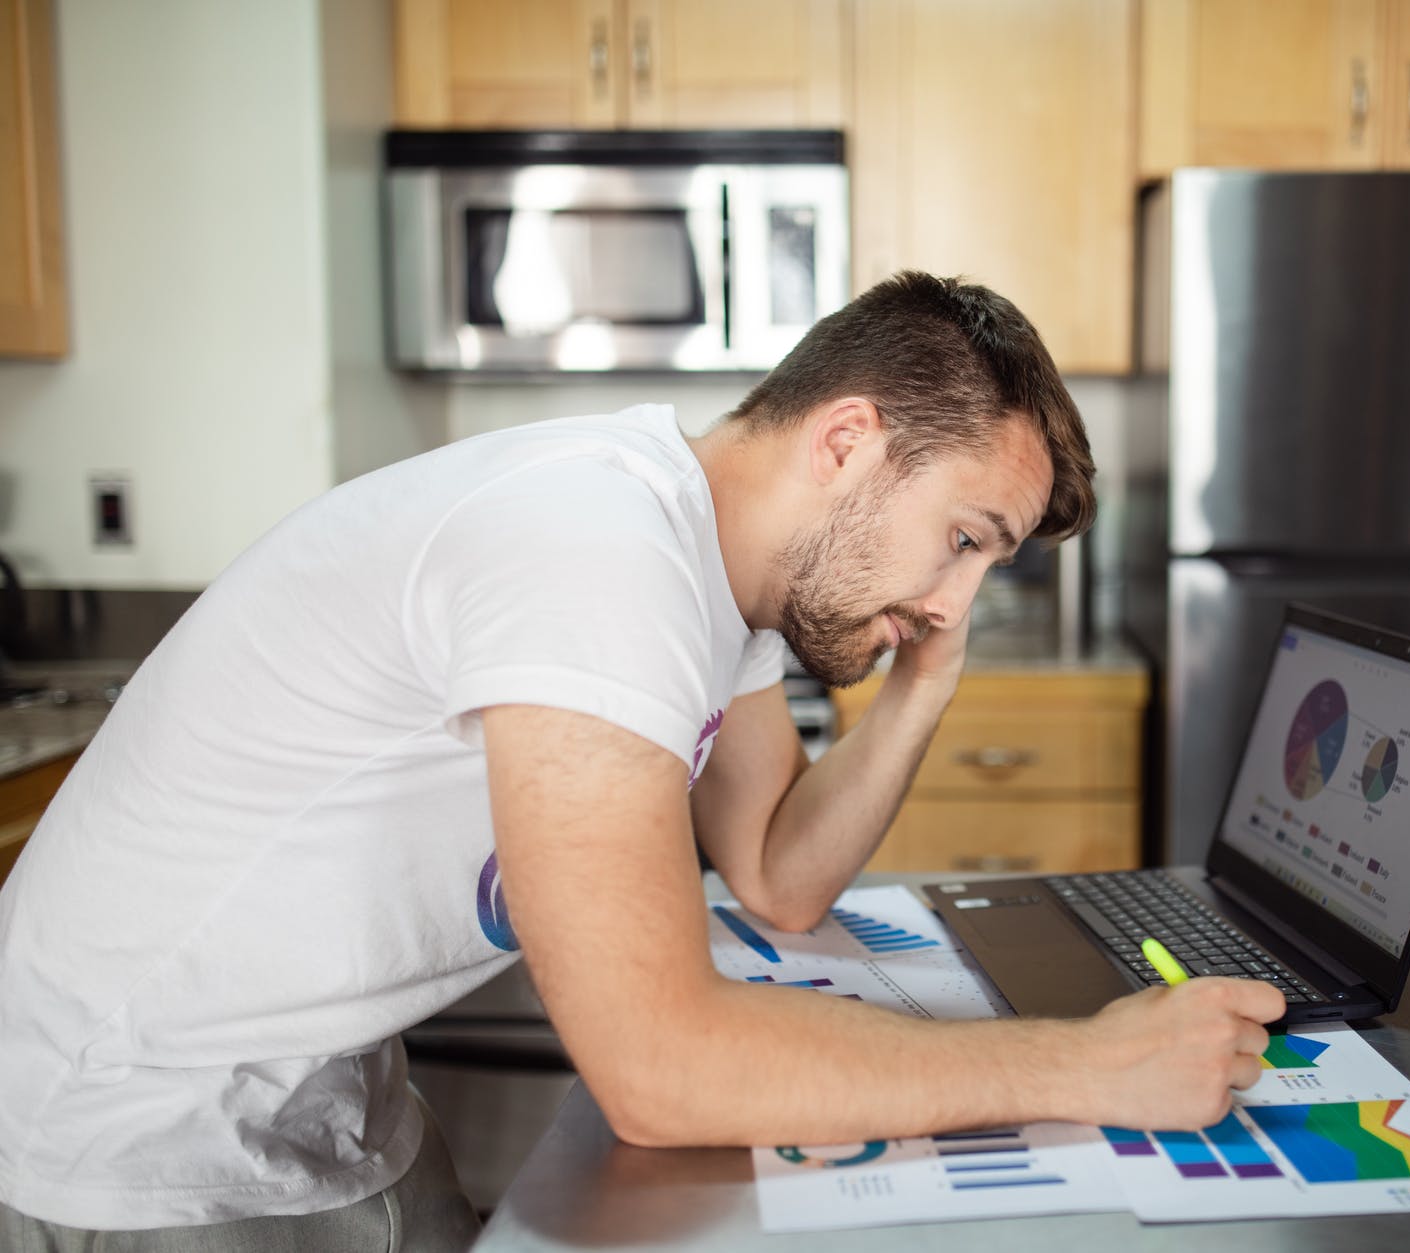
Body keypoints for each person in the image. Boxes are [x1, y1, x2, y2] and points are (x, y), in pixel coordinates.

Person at [0, 272, 1284, 1250]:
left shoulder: (711, 570)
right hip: (137, 1135)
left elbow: (778, 874)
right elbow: (660, 1067)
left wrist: (925, 671)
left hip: (331, 1098)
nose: (958, 597)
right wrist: (1086, 1064)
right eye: (962, 536)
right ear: (846, 440)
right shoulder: (596, 543)